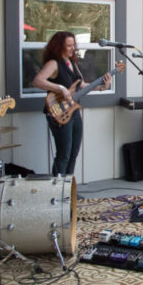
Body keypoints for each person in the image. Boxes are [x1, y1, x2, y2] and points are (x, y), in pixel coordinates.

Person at [31, 32, 110, 177]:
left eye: (74, 45)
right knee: (63, 155)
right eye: (69, 46)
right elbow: (37, 81)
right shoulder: (53, 63)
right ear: (58, 47)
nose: (73, 48)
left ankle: (68, 186)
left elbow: (81, 85)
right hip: (58, 112)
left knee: (73, 153)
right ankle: (58, 188)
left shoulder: (72, 63)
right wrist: (60, 88)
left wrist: (102, 87)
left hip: (73, 112)